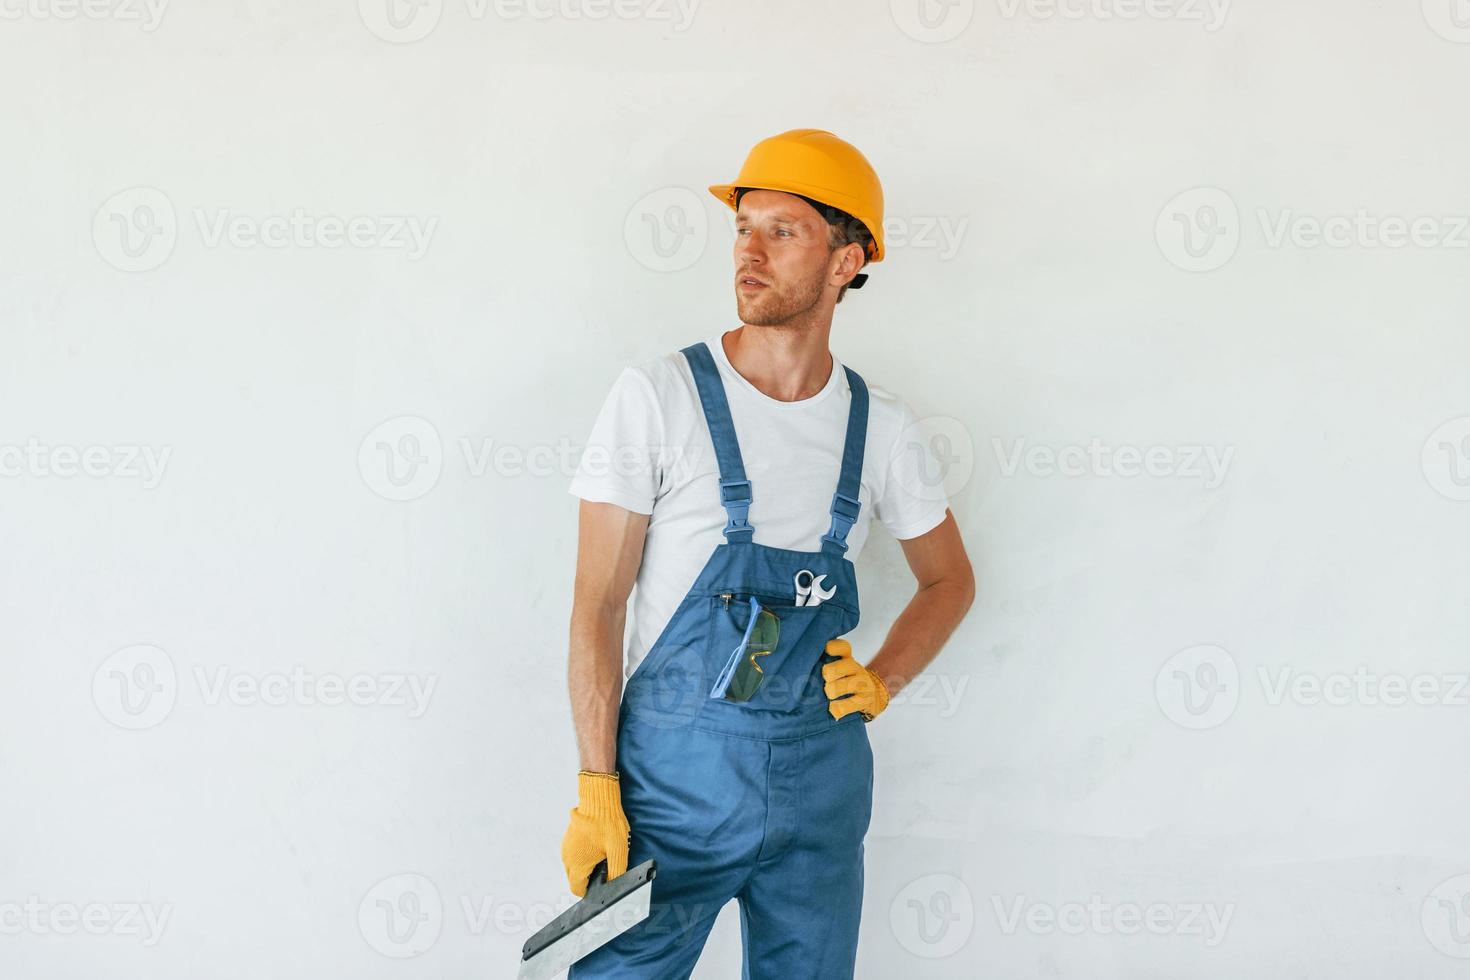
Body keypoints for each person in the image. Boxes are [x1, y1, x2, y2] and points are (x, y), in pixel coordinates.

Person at [560, 128, 976, 978]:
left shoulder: (882, 429)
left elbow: (948, 581)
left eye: (782, 231)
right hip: (670, 796)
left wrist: (883, 679)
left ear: (846, 260)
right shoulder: (659, 396)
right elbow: (596, 605)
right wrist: (597, 786)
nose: (749, 251)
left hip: (821, 794)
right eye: (743, 227)